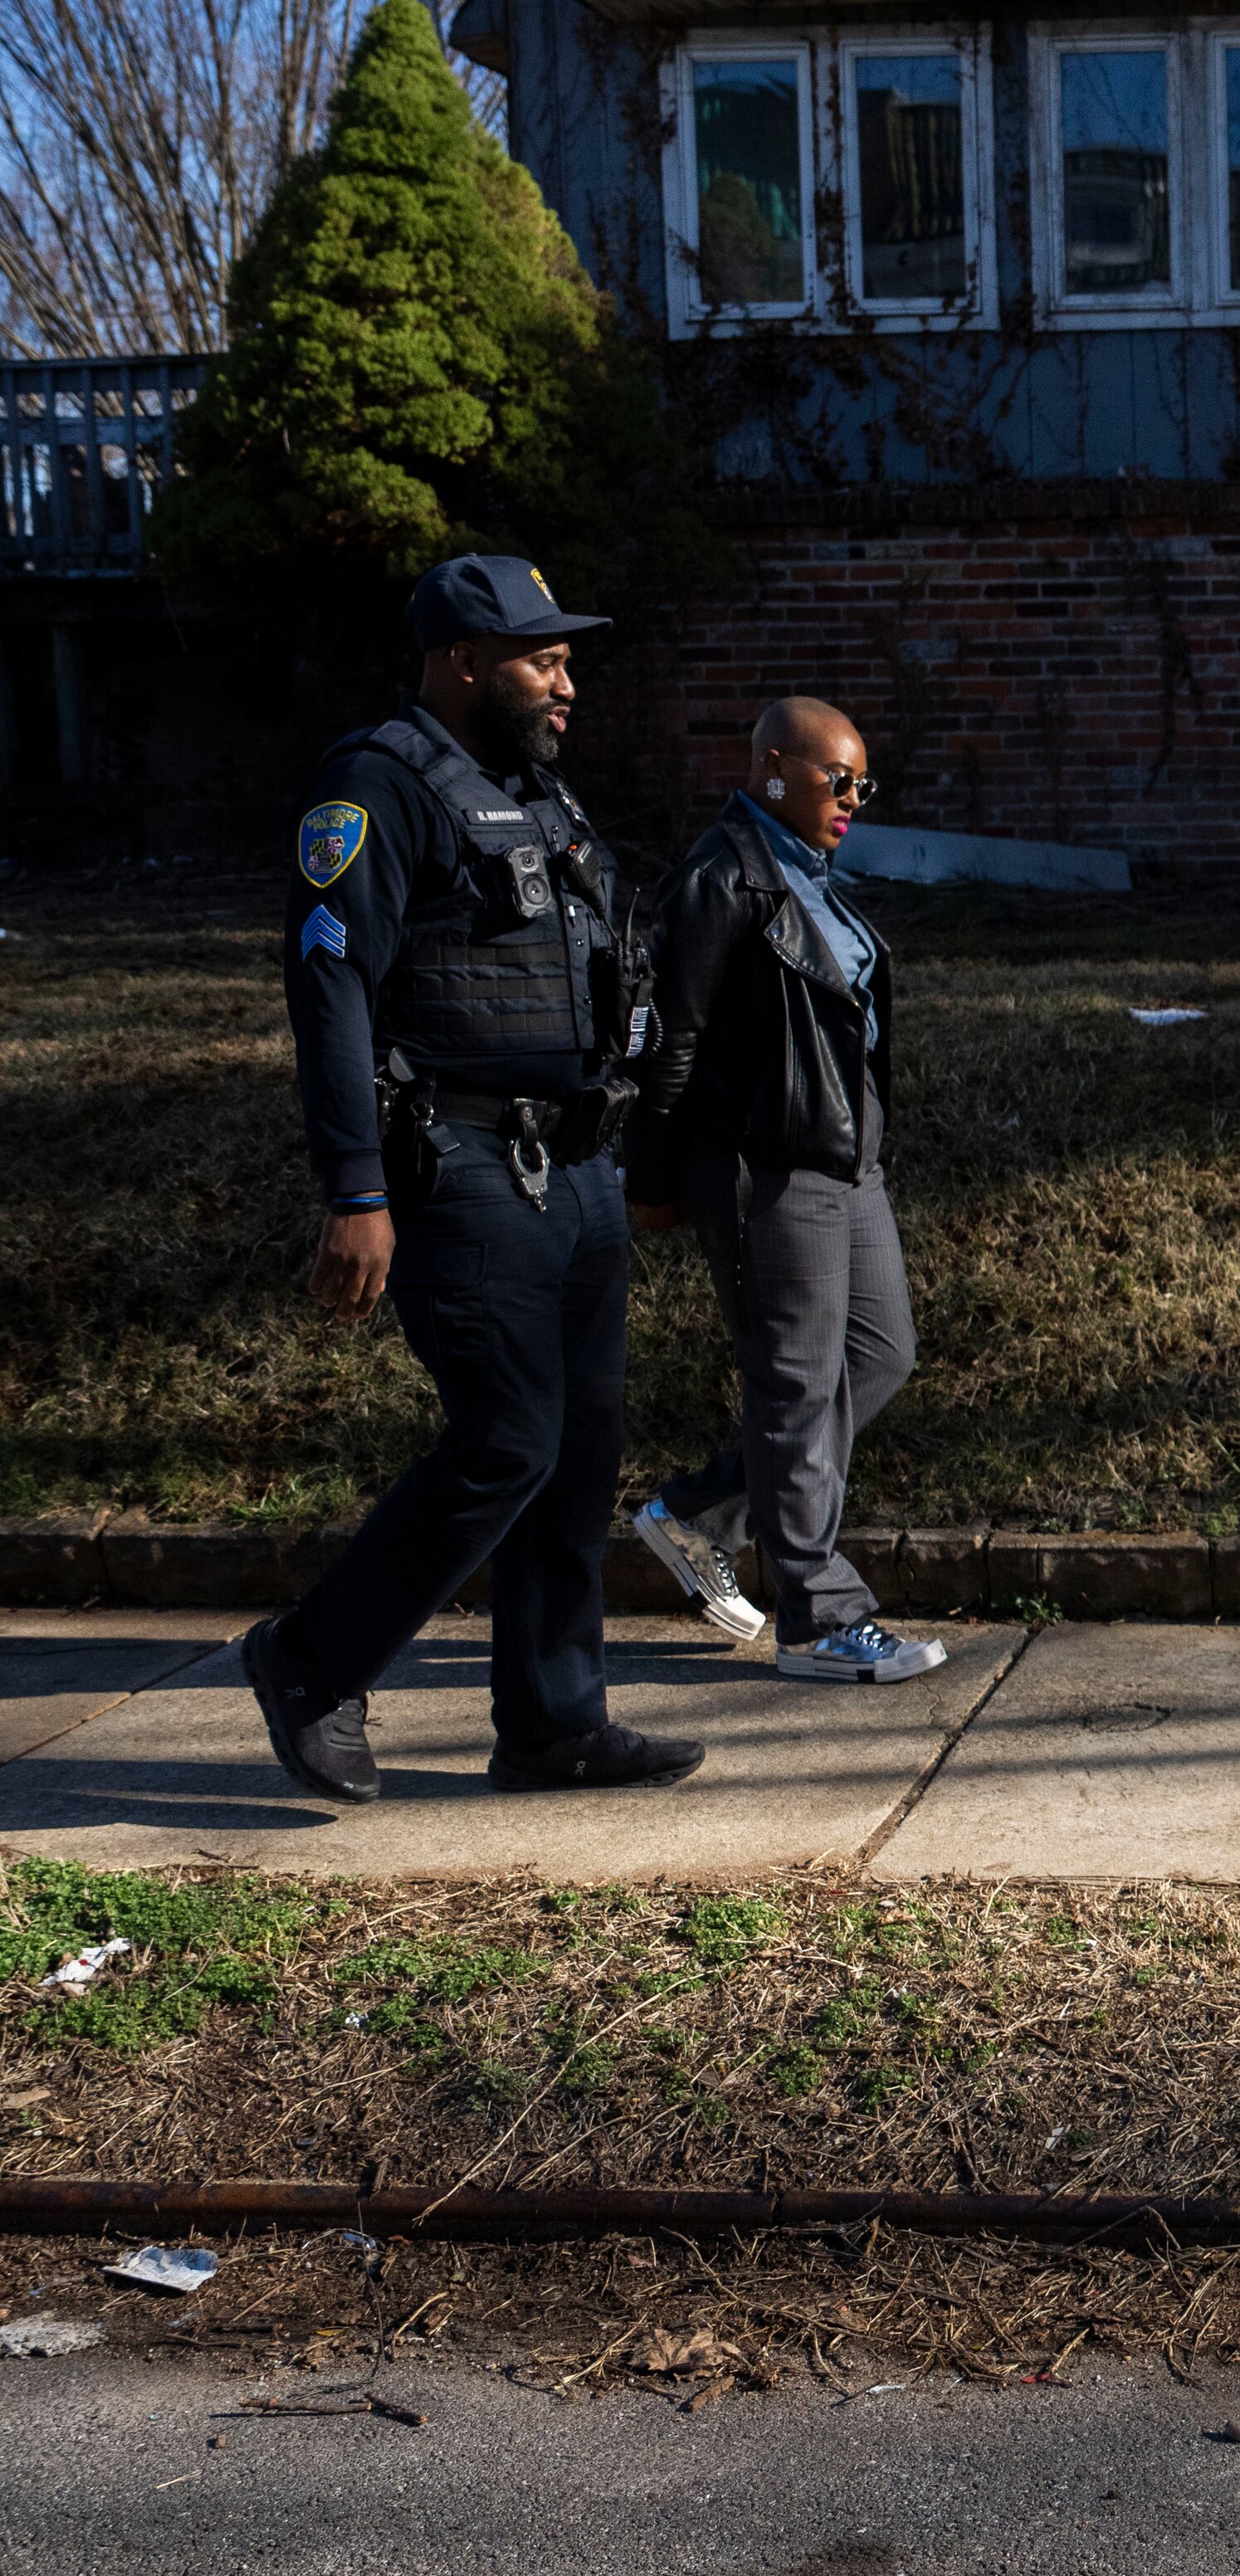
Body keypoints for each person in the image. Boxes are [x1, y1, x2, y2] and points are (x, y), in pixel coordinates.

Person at [237, 555, 703, 1805]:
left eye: (565, 658)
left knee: (577, 1451)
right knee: (506, 1440)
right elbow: (328, 986)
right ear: (460, 661)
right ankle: (308, 1660)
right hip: (462, 1167)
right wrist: (354, 1189)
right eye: (540, 659)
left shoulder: (537, 797)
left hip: (579, 1166)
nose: (567, 681)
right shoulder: (377, 788)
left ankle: (554, 1723)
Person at [622, 697, 942, 1686]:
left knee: (881, 1355)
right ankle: (819, 1619)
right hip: (765, 1169)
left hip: (848, 1165)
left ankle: (703, 1511)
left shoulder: (812, 879)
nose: (850, 799)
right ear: (770, 769)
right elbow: (668, 1039)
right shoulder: (724, 878)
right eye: (832, 779)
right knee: (795, 1385)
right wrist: (654, 1176)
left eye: (860, 784)